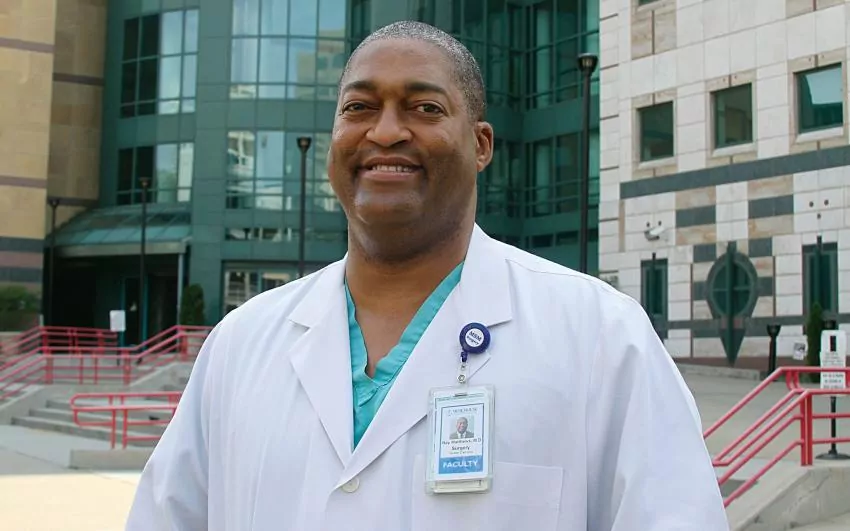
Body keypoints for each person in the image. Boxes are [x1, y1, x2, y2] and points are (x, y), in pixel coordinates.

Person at [126, 20, 729, 531]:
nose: (386, 131)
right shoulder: (241, 344)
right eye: (359, 107)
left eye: (425, 108)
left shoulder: (602, 337)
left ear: (481, 144)